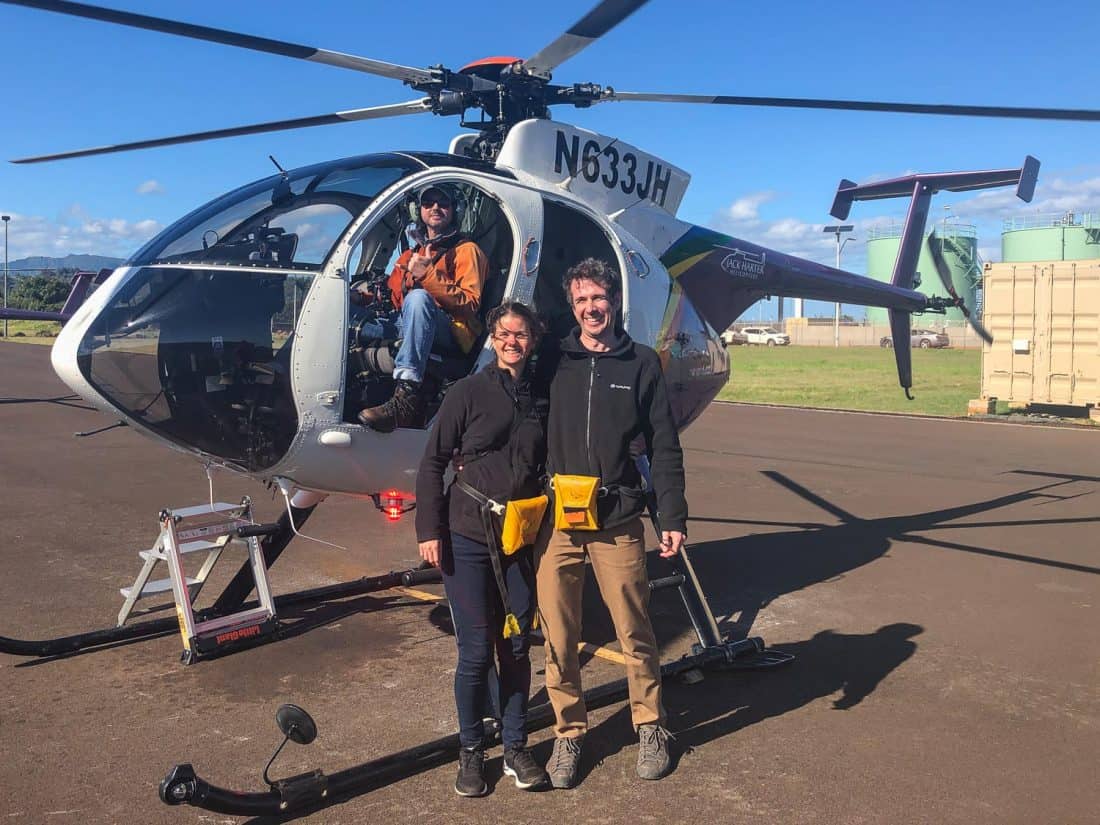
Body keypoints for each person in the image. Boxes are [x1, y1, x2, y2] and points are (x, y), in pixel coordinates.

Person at [536, 257, 687, 788]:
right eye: (580, 300)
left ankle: (650, 724)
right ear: (571, 306)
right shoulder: (552, 359)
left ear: (614, 300)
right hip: (557, 521)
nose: (590, 308)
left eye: (598, 298)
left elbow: (665, 445)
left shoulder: (641, 363)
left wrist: (671, 514)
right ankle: (569, 735)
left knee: (635, 629)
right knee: (558, 633)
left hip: (618, 517)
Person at [415, 301, 550, 797]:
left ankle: (516, 745)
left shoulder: (540, 398)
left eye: (521, 334)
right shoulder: (467, 393)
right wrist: (428, 530)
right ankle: (471, 750)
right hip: (467, 536)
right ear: (492, 338)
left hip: (518, 540)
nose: (512, 341)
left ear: (532, 341)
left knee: (515, 648)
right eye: (504, 333)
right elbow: (432, 463)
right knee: (475, 654)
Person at [356, 183, 488, 432]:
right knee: (350, 318)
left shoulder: (467, 251)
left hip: (450, 330)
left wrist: (428, 275)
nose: (435, 207)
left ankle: (406, 395)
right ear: (420, 210)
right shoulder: (410, 256)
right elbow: (393, 298)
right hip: (407, 322)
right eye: (429, 202)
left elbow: (469, 304)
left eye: (443, 203)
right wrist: (359, 298)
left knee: (418, 298)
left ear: (454, 210)